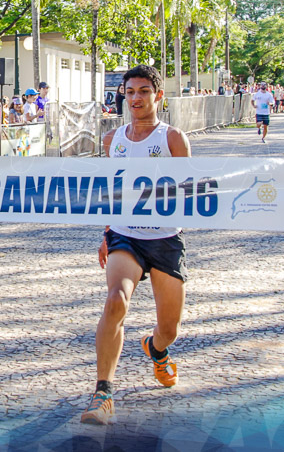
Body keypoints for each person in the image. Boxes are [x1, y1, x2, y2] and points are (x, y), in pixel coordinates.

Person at [81, 65, 192, 425]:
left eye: (143, 91)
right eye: (130, 92)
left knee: (170, 328)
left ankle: (156, 348)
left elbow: (190, 190)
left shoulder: (173, 138)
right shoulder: (112, 140)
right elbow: (112, 191)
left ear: (158, 96)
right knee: (116, 301)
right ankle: (103, 393)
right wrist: (107, 231)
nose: (136, 98)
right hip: (125, 236)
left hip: (164, 239)